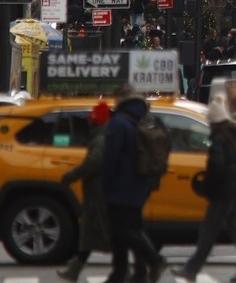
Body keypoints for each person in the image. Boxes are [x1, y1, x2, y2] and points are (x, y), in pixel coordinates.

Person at [174, 95, 236, 283]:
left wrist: (207, 186)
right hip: (234, 191)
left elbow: (216, 167)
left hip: (222, 193)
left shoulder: (219, 140)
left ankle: (191, 269)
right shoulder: (235, 137)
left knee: (209, 232)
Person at [102, 84, 166, 283]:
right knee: (131, 229)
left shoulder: (118, 122)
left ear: (120, 99)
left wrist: (105, 185)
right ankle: (131, 273)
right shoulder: (147, 118)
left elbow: (111, 156)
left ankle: (154, 261)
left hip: (121, 185)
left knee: (123, 230)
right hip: (141, 182)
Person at [56, 102, 114, 282]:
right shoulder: (104, 137)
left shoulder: (100, 139)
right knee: (91, 234)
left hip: (97, 194)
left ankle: (129, 269)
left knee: (101, 233)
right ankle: (74, 270)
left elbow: (94, 163)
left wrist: (72, 175)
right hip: (97, 193)